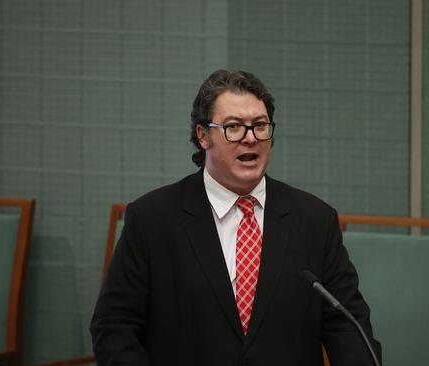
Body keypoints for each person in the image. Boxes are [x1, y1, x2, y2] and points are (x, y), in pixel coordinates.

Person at [90, 69, 381, 366]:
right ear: (203, 136)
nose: (250, 138)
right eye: (234, 127)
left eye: (260, 126)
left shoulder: (315, 221)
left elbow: (349, 329)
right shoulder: (152, 220)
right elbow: (114, 328)